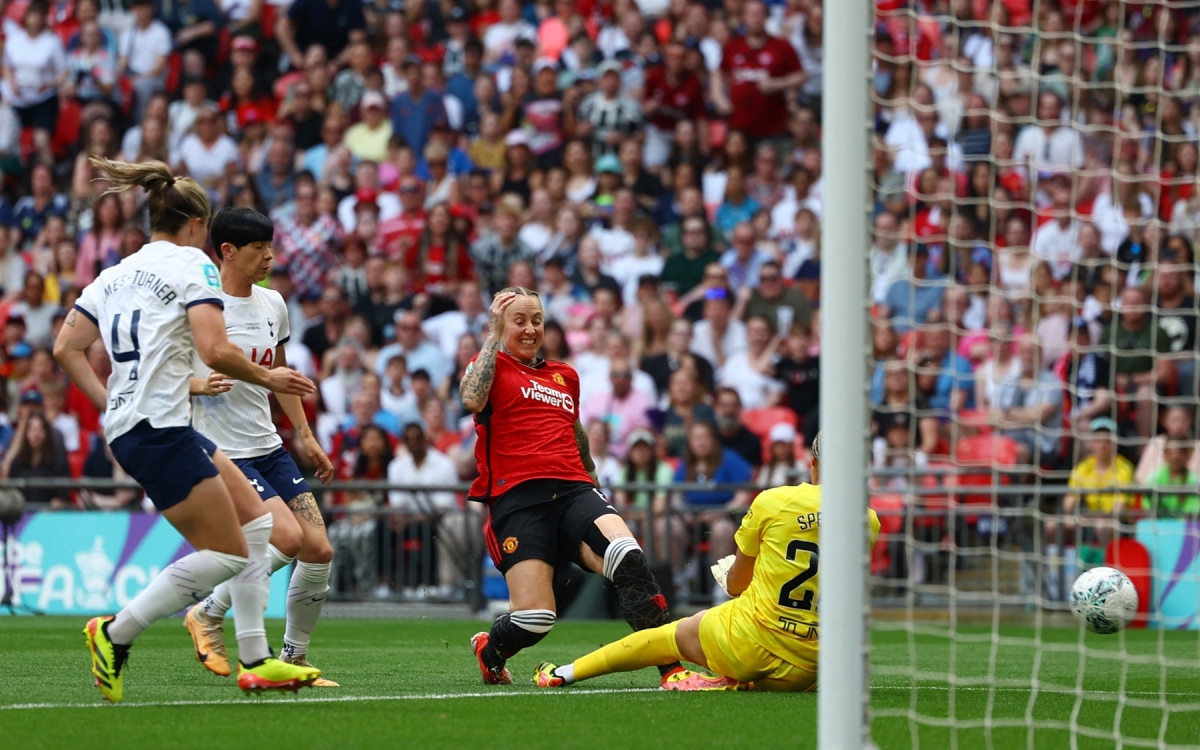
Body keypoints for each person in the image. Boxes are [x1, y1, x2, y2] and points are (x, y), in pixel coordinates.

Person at [56, 158, 319, 702]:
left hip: (152, 424)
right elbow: (214, 349)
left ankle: (255, 660)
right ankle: (114, 631)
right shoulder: (192, 267)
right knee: (229, 553)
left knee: (256, 529)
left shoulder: (113, 273)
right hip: (160, 429)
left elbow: (66, 348)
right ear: (198, 225)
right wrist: (269, 374)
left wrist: (113, 405)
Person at [460, 287, 693, 688]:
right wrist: (492, 334)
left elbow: (574, 430)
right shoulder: (489, 365)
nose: (531, 328)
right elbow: (470, 397)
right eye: (520, 320)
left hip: (573, 491)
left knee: (629, 557)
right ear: (502, 325)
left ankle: (672, 670)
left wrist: (593, 479)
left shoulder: (564, 374)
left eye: (537, 320)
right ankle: (491, 648)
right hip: (518, 500)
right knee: (536, 619)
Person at [532, 433, 881, 691]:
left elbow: (735, 585)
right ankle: (730, 683)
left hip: (751, 642)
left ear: (813, 463)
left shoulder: (776, 502)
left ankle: (563, 673)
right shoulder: (868, 520)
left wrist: (733, 574)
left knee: (669, 635)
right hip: (813, 664)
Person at [181, 207, 339, 688]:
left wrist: (306, 435)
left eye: (270, 246)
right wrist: (197, 385)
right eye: (258, 249)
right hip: (222, 451)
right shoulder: (201, 310)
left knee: (318, 549)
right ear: (227, 251)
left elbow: (281, 375)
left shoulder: (273, 304)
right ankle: (207, 612)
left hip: (270, 446)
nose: (269, 256)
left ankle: (294, 657)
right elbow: (160, 378)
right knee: (288, 539)